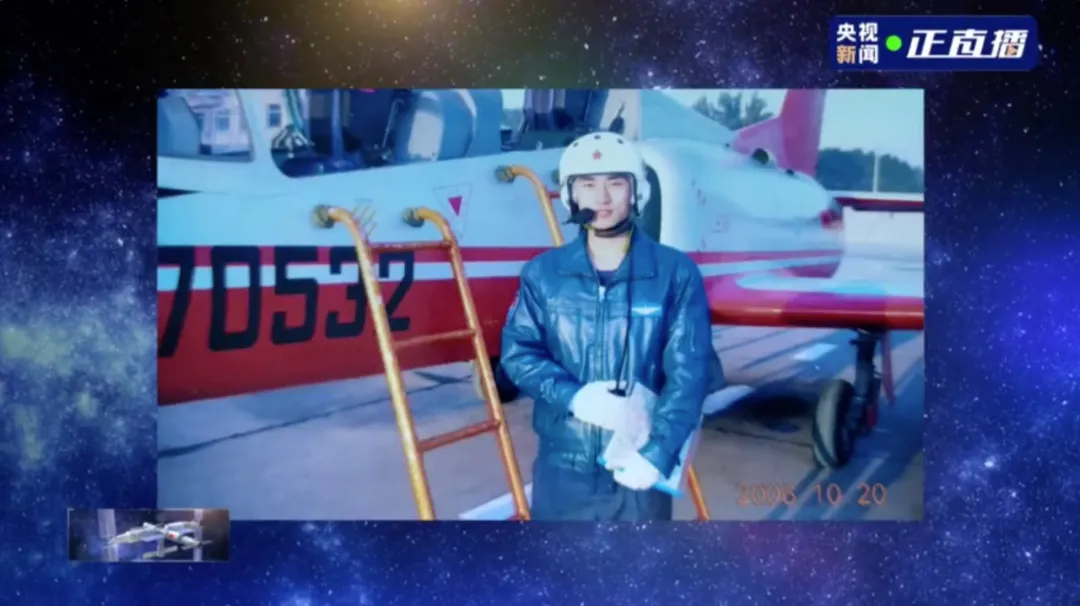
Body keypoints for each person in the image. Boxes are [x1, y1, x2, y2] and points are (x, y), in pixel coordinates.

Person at [500, 131, 715, 521]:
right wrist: (575, 398)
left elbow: (690, 373)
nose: (601, 198)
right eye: (587, 185)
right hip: (561, 471)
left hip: (637, 468)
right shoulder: (543, 273)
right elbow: (519, 354)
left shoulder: (675, 273)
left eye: (615, 183)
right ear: (571, 195)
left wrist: (657, 455)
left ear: (636, 192)